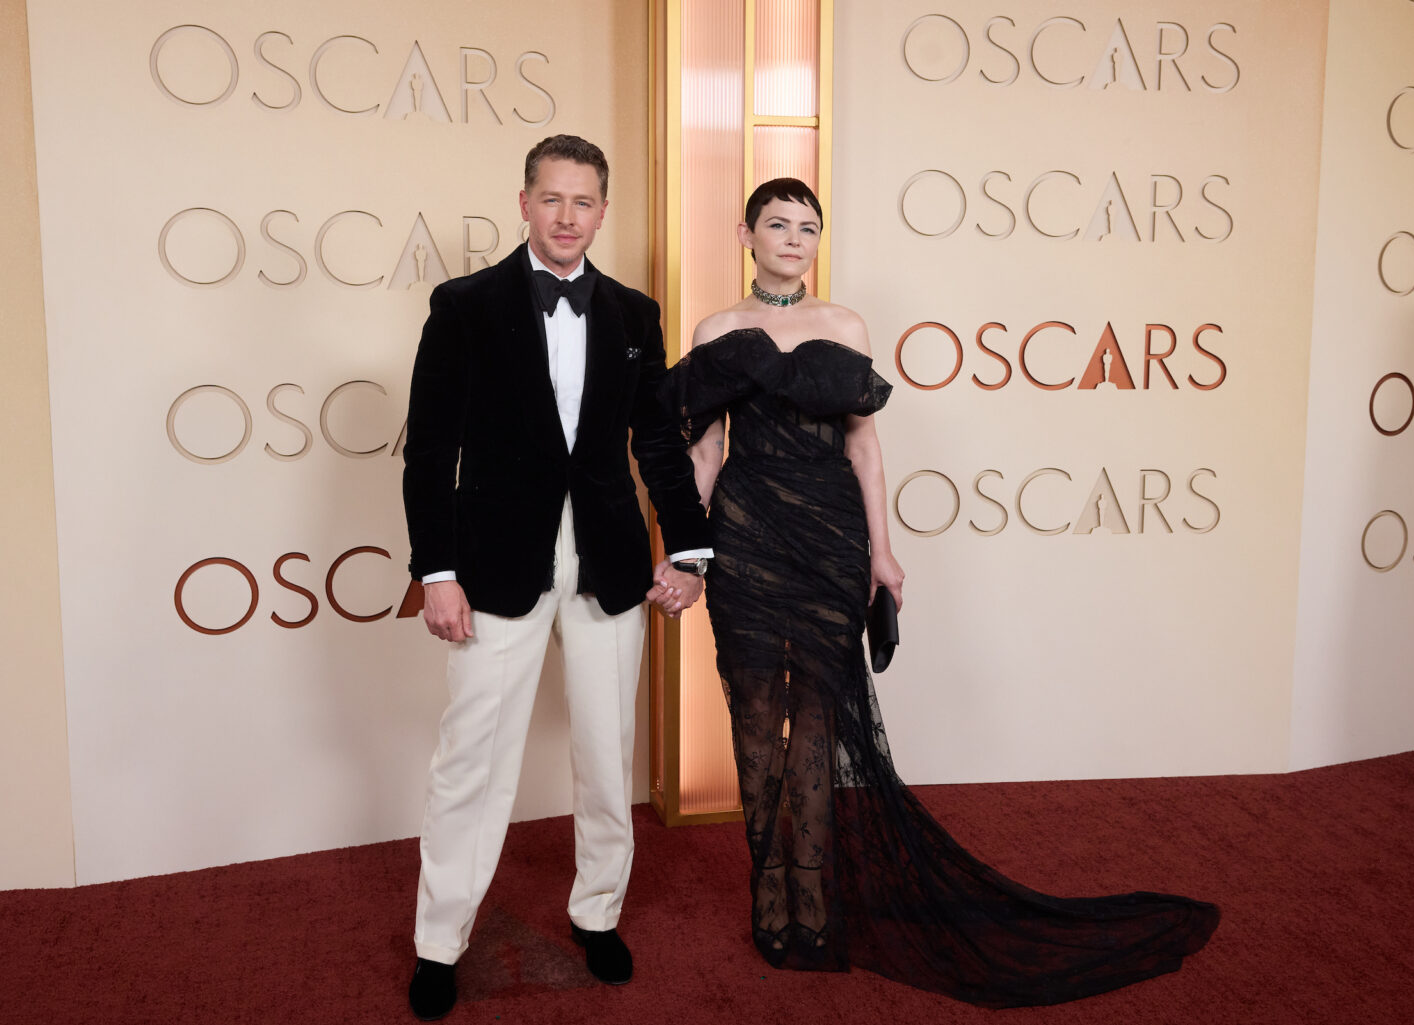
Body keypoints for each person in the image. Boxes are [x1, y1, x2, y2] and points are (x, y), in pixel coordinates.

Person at [657, 178, 1219, 1007]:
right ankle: (768, 898)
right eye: (777, 224)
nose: (793, 239)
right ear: (744, 233)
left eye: (808, 227)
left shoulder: (843, 324)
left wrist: (882, 553)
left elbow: (866, 449)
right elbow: (703, 452)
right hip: (745, 536)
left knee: (816, 715)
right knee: (751, 718)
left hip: (830, 538)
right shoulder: (716, 330)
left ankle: (811, 903)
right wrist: (685, 556)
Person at [400, 134, 711, 1020]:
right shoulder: (463, 305)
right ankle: (438, 940)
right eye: (552, 199)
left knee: (609, 755)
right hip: (495, 561)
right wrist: (438, 570)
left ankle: (599, 912)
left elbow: (656, 442)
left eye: (584, 202)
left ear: (602, 212)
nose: (568, 216)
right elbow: (431, 449)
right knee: (472, 757)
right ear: (524, 203)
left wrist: (687, 549)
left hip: (608, 557)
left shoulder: (634, 312)